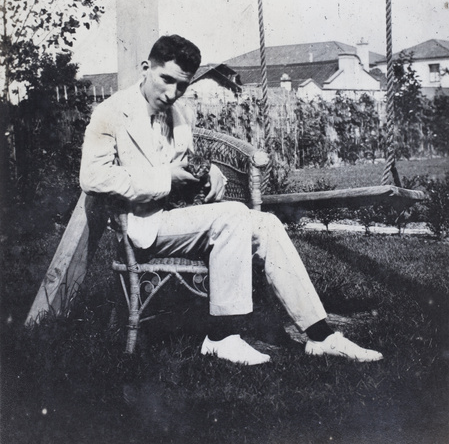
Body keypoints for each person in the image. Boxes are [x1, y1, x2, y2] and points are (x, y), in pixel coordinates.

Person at [80, 34, 383, 366]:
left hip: (178, 218)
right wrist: (166, 178)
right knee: (234, 216)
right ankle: (222, 337)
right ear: (145, 68)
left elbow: (184, 162)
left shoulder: (179, 113)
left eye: (181, 86)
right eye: (166, 80)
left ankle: (321, 336)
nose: (171, 93)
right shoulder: (110, 112)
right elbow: (93, 178)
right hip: (140, 226)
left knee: (266, 224)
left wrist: (208, 171)